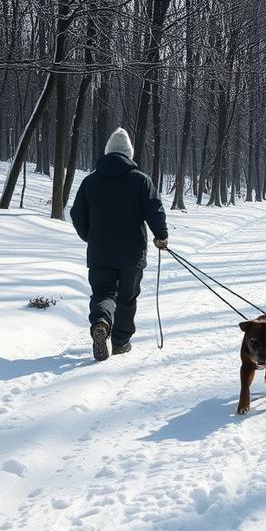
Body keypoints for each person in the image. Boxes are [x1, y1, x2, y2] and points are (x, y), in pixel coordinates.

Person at [70, 127, 168, 361]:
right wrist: (160, 235)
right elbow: (154, 209)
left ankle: (102, 323)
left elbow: (76, 214)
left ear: (107, 152)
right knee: (127, 297)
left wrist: (89, 235)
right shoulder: (141, 180)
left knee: (103, 292)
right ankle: (121, 342)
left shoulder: (90, 181)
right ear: (129, 154)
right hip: (131, 253)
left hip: (100, 252)